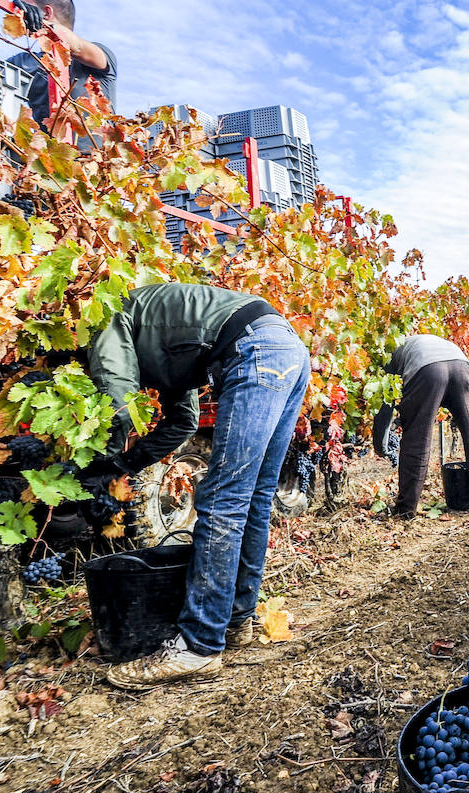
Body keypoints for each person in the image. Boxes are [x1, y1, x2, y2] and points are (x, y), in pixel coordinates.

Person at [81, 283, 310, 690]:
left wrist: (97, 465)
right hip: (286, 350)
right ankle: (236, 619)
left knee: (223, 499)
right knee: (255, 497)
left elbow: (116, 402)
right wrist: (125, 465)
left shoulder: (108, 315)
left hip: (256, 351)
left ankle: (198, 646)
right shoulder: (165, 341)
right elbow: (184, 421)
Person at [371, 334, 469, 517]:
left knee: (416, 441)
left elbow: (385, 406)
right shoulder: (414, 342)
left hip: (428, 371)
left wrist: (381, 446)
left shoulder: (386, 358)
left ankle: (405, 509)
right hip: (462, 367)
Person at [7, 0, 117, 127]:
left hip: (90, 142)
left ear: (46, 13)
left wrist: (42, 25)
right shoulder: (24, 62)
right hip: (49, 142)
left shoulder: (99, 55)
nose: (18, 14)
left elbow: (77, 46)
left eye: (24, 9)